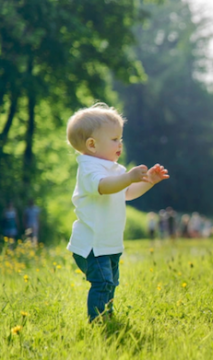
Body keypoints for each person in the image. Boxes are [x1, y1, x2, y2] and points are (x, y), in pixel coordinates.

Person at [65, 103, 169, 322]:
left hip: (109, 243)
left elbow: (127, 192)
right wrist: (128, 178)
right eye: (114, 139)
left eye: (120, 138)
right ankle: (97, 321)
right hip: (92, 244)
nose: (120, 143)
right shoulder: (89, 168)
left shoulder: (115, 170)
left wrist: (148, 181)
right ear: (92, 145)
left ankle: (107, 315)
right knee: (102, 283)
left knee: (111, 282)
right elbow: (104, 187)